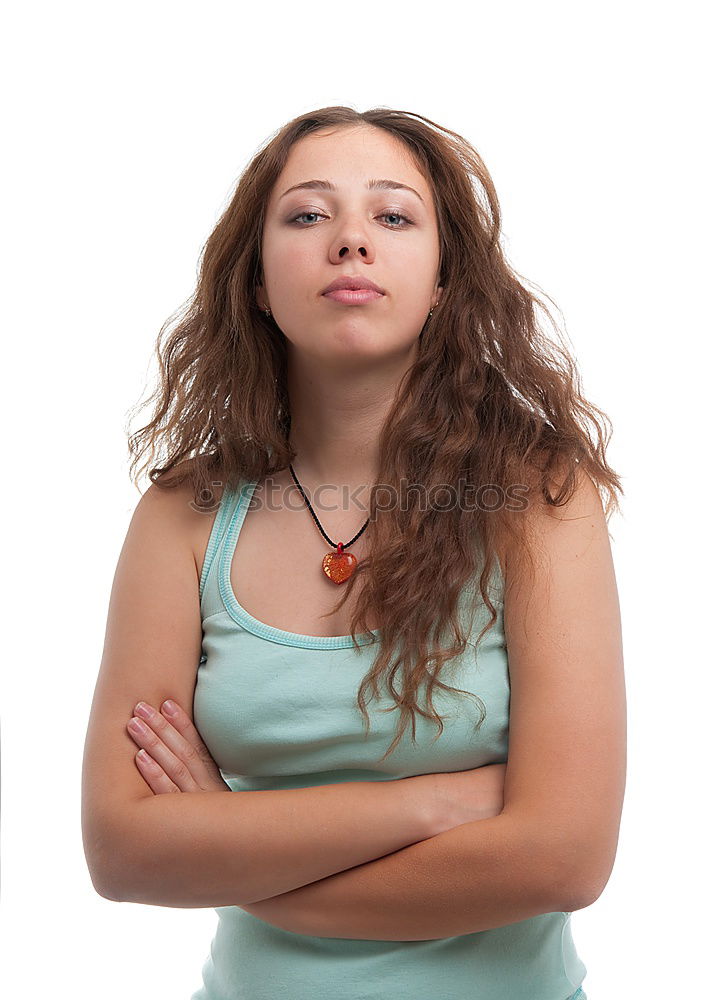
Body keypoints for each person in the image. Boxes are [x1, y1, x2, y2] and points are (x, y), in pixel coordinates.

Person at [81, 105, 626, 1000]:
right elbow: (125, 853)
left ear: (446, 278)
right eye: (306, 215)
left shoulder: (538, 499)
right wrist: (439, 803)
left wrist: (236, 846)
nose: (350, 242)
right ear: (255, 281)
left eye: (394, 216)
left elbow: (563, 858)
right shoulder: (182, 517)